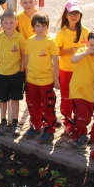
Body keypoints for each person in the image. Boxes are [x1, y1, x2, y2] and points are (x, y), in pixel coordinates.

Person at [22, 12, 59, 144]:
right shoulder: (30, 41)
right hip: (32, 80)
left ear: (47, 27)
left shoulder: (50, 42)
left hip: (46, 81)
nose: (41, 28)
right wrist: (26, 76)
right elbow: (27, 58)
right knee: (33, 105)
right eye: (38, 26)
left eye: (44, 25)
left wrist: (56, 79)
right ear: (33, 27)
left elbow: (56, 60)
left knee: (48, 107)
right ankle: (35, 126)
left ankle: (50, 130)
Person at [55, 1, 90, 133]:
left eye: (77, 13)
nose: (74, 16)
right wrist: (70, 51)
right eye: (71, 13)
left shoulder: (85, 31)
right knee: (66, 97)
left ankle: (79, 121)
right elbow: (56, 51)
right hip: (66, 70)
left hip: (81, 71)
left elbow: (90, 47)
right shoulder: (62, 33)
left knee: (79, 97)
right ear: (66, 15)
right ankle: (67, 122)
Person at [0, 9, 27, 137]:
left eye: (11, 22)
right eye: (5, 22)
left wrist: (22, 70)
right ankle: (3, 122)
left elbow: (24, 55)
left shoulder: (20, 37)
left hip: (16, 73)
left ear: (16, 23)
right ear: (1, 23)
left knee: (15, 98)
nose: (9, 25)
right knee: (3, 99)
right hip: (2, 74)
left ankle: (15, 122)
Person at [69, 33, 94, 148]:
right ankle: (74, 136)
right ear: (87, 42)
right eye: (92, 45)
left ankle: (82, 134)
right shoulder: (82, 50)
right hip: (77, 90)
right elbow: (73, 59)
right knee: (81, 115)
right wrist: (87, 52)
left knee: (87, 117)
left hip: (89, 92)